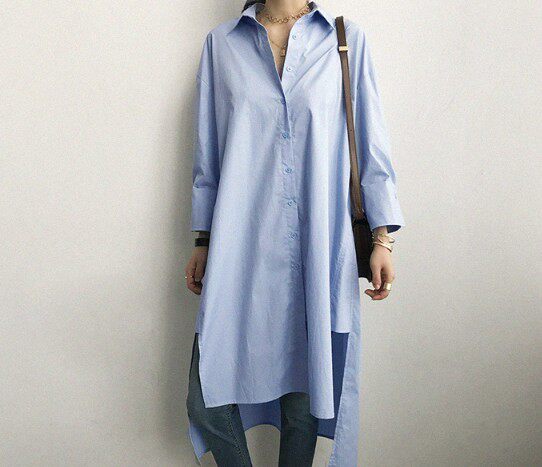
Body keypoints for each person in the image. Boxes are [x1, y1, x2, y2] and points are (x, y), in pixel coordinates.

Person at [184, 1, 405, 465]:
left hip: (319, 245)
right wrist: (203, 239)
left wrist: (382, 237)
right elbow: (209, 153)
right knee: (206, 400)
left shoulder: (345, 40)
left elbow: (371, 143)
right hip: (240, 245)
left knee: (305, 400)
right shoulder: (222, 45)